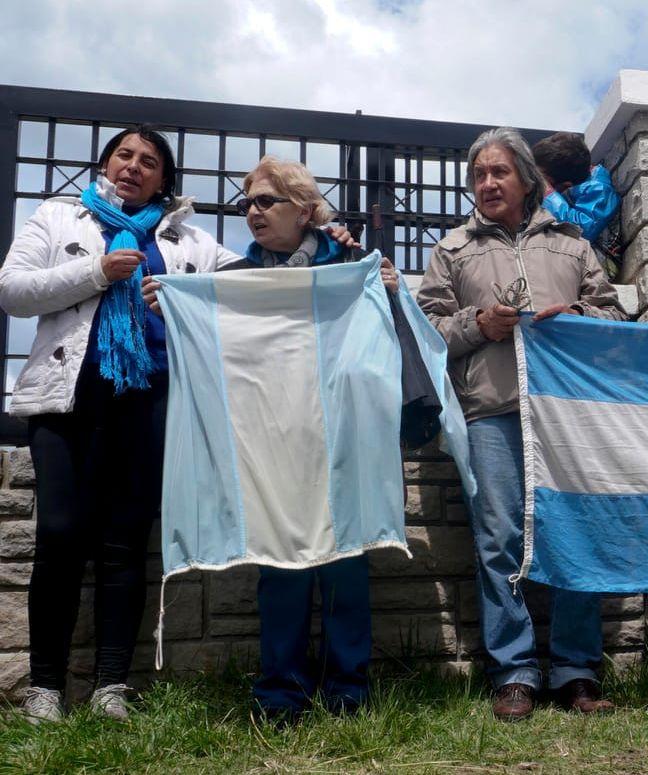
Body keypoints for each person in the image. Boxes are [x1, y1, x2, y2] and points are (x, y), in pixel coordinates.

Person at [144, 156, 399, 723]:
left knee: (345, 564)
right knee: (279, 566)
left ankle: (347, 692)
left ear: (305, 210)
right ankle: (281, 694)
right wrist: (179, 312)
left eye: (266, 202)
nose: (252, 213)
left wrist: (388, 289)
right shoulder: (232, 280)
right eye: (248, 204)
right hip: (272, 446)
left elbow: (388, 343)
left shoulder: (350, 263)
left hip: (341, 440)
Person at [0, 126, 239, 723]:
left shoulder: (189, 238)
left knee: (124, 544)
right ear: (105, 163)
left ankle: (111, 686)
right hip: (67, 400)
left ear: (166, 179)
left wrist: (325, 242)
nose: (134, 167)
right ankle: (45, 688)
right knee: (58, 536)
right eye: (124, 155)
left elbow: (249, 287)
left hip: (151, 400)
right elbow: (12, 291)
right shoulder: (58, 218)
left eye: (150, 162)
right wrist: (98, 273)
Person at [416, 127, 625, 722]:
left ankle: (576, 671)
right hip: (491, 413)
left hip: (567, 416)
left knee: (574, 536)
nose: (486, 183)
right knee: (498, 541)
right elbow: (427, 330)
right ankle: (514, 673)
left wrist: (578, 316)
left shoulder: (572, 243)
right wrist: (479, 324)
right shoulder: (451, 249)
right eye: (478, 174)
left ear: (527, 180)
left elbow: (613, 314)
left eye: (499, 172)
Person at [531, 132, 622, 277]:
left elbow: (581, 230)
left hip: (598, 267)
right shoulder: (573, 186)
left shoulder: (600, 189)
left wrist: (548, 193)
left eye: (543, 179)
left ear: (566, 184)